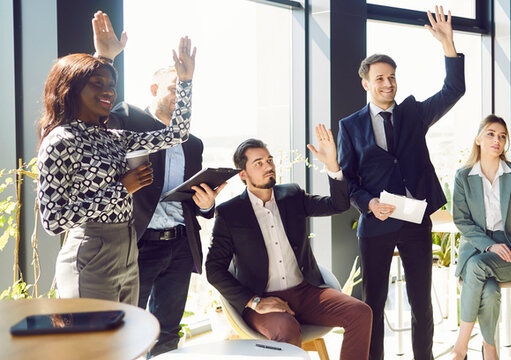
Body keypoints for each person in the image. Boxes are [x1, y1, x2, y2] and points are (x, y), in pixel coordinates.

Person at [88, 11, 222, 357]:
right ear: (153, 90)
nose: (181, 94)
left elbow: (195, 200)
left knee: (167, 332)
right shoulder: (129, 118)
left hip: (179, 245)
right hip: (138, 243)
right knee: (128, 330)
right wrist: (103, 58)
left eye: (185, 87)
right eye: (175, 86)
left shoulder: (192, 143)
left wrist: (206, 204)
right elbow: (92, 118)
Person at [336, 6, 465, 359]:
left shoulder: (413, 113)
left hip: (414, 221)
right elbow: (348, 180)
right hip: (376, 223)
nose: (388, 83)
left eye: (392, 76)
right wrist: (368, 204)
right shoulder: (350, 126)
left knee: (421, 303)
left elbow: (454, 89)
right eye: (380, 78)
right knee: (372, 305)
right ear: (366, 83)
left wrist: (448, 44)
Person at [36, 28, 196, 305]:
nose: (109, 90)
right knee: (93, 346)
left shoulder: (114, 138)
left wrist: (185, 81)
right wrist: (122, 188)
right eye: (98, 83)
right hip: (91, 252)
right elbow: (54, 221)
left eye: (111, 84)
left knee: (125, 345)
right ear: (69, 89)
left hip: (128, 247)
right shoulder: (60, 141)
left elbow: (177, 134)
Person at [206, 127, 372, 359]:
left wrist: (332, 165)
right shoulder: (230, 213)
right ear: (243, 174)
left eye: (269, 160)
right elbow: (213, 269)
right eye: (258, 163)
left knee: (360, 312)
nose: (268, 166)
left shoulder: (292, 196)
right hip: (261, 297)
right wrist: (254, 302)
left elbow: (338, 205)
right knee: (287, 330)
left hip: (306, 291)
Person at [450, 115, 511, 360]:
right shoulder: (463, 176)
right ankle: (489, 348)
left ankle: (460, 348)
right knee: (489, 293)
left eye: (502, 136)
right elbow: (462, 220)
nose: (497, 139)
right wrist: (489, 245)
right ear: (478, 139)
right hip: (477, 248)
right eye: (490, 133)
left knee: (477, 268)